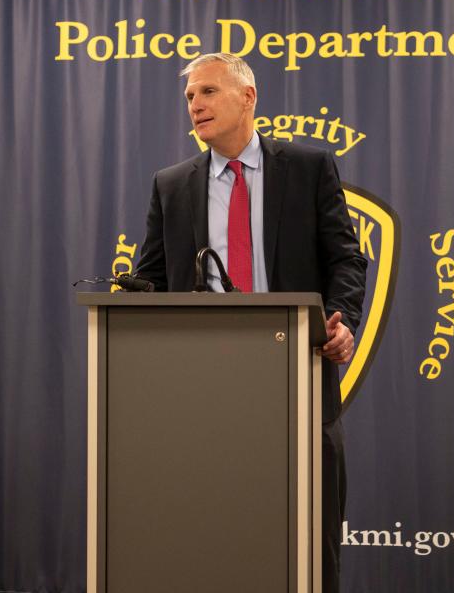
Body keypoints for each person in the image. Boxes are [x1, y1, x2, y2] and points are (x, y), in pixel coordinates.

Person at [135, 53, 367, 592]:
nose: (195, 105)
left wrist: (342, 320)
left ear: (248, 97)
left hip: (297, 371)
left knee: (309, 536)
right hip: (204, 384)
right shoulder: (171, 185)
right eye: (190, 97)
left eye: (208, 92)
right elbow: (152, 279)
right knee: (213, 531)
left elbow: (346, 258)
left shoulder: (308, 168)